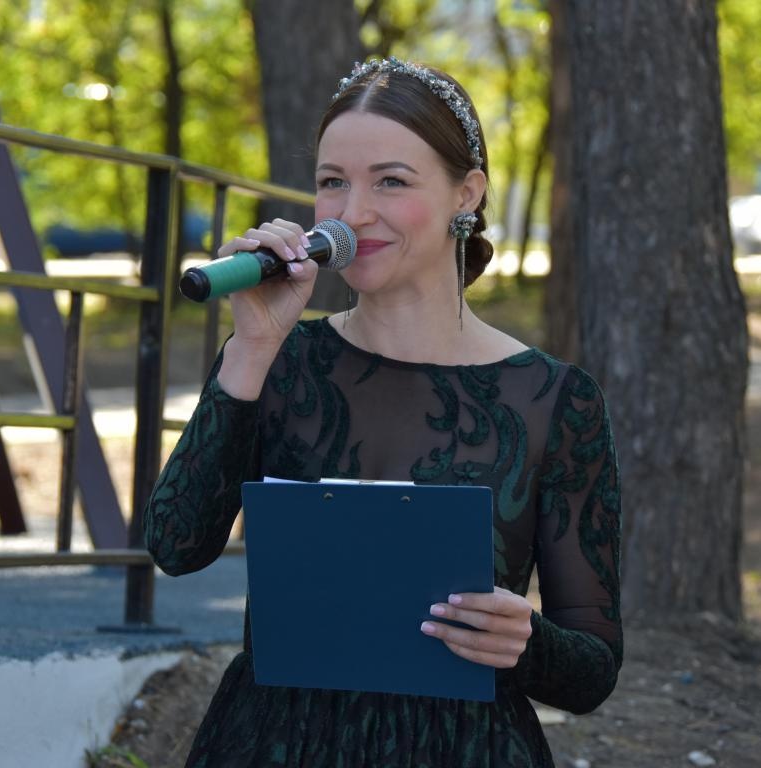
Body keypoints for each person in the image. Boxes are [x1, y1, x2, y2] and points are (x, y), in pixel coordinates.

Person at [145, 57, 622, 767]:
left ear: (467, 193)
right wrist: (251, 349)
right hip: (274, 745)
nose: (352, 212)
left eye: (391, 182)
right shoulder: (276, 359)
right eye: (332, 181)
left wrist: (526, 641)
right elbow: (176, 547)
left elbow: (593, 670)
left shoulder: (556, 399)